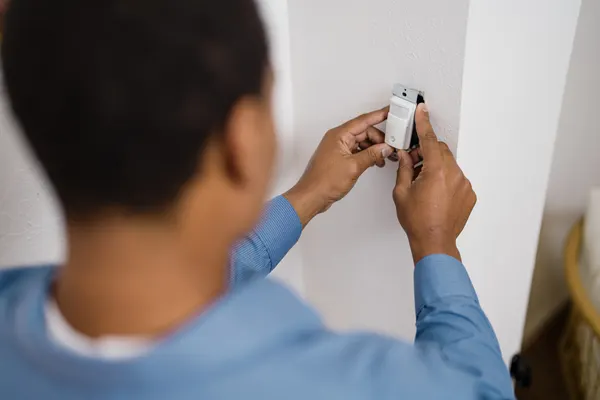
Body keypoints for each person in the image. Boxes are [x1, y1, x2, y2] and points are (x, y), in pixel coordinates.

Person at [0, 0, 514, 398]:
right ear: (241, 141)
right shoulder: (328, 382)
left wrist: (308, 196)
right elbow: (480, 389)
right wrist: (436, 244)